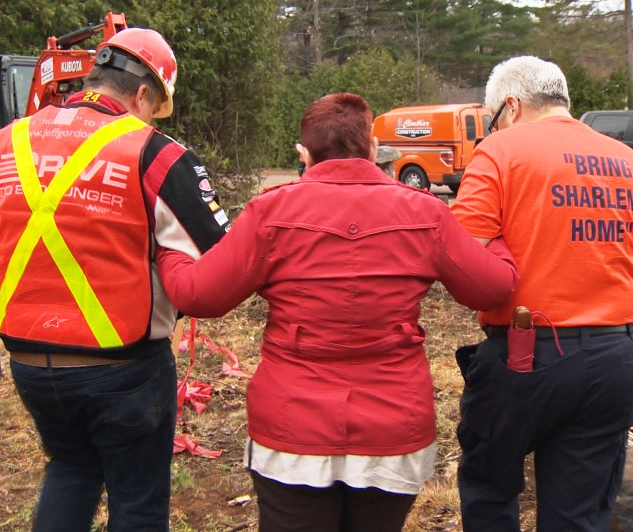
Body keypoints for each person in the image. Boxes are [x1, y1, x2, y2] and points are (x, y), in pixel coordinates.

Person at [156, 92, 519, 532]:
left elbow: (197, 296)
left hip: (293, 426)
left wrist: (168, 250)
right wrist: (497, 233)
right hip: (392, 424)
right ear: (371, 148)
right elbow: (492, 287)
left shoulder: (269, 211)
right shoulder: (426, 212)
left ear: (304, 153)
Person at [0, 27, 230, 532]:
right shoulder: (156, 154)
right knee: (137, 500)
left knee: (71, 469)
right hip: (127, 369)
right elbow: (217, 257)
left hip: (31, 363)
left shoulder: (0, 145)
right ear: (143, 94)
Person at [450, 55, 633, 532]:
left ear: (511, 107)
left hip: (522, 359)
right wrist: (629, 344)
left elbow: (461, 258)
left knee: (490, 492)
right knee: (578, 515)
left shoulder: (499, 152)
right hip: (612, 361)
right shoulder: (631, 161)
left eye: (494, 118)